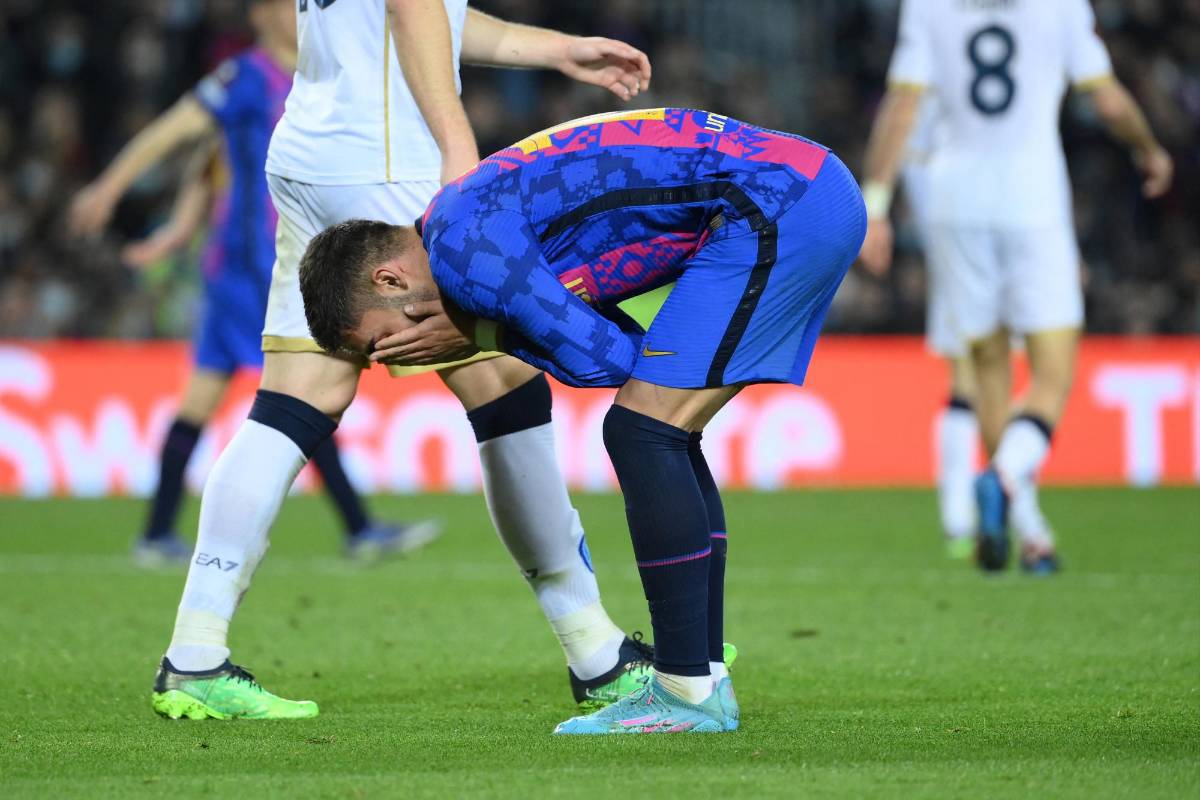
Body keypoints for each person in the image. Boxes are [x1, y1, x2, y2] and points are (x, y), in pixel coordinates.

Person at [147, 0, 658, 721]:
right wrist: (457, 146)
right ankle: (597, 655)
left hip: (314, 154)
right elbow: (413, 5)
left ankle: (194, 653)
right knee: (505, 385)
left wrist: (554, 49)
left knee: (295, 400)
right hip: (390, 155)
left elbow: (430, 15)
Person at [297, 107, 867, 734]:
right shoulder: (459, 219)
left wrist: (479, 331)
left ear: (390, 277)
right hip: (800, 184)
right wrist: (495, 327)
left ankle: (686, 691)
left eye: (398, 338)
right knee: (662, 430)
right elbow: (622, 344)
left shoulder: (464, 254)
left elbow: (604, 361)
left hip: (773, 203)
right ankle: (698, 670)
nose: (417, 350)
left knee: (642, 430)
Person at [67, 0, 434, 565]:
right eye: (291, 8)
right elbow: (173, 133)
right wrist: (108, 189)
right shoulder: (244, 77)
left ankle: (157, 533)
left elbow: (212, 162)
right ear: (263, 15)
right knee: (306, 394)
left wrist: (179, 230)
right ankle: (358, 528)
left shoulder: (317, 82)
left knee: (216, 398)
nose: (304, 16)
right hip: (252, 271)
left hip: (258, 268)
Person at [858, 0, 1173, 573]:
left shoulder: (928, 7)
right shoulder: (1059, 6)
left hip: (954, 202)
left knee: (986, 367)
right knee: (1052, 375)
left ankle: (1026, 524)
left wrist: (875, 203)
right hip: (1032, 201)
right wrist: (1148, 148)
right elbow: (1104, 96)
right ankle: (1005, 481)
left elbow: (902, 106)